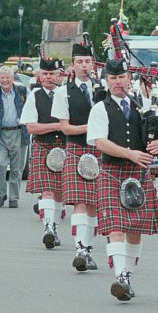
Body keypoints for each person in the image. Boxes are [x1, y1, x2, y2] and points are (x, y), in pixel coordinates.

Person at [86, 57, 158, 301]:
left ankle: (127, 276)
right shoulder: (100, 109)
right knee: (115, 227)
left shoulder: (145, 104)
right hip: (112, 172)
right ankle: (120, 277)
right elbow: (100, 142)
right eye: (113, 78)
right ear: (106, 81)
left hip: (139, 174)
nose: (118, 82)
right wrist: (129, 153)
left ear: (129, 79)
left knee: (135, 229)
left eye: (122, 77)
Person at [52, 41, 102, 271]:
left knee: (94, 204)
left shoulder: (102, 90)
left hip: (100, 151)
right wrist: (91, 128)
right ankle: (80, 250)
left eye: (87, 61)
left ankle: (87, 250)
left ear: (93, 64)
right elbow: (65, 128)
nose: (84, 65)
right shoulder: (63, 92)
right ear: (72, 65)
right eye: (79, 62)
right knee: (80, 202)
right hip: (77, 150)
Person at [19, 58, 66, 248]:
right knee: (47, 190)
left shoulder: (67, 94)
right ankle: (48, 229)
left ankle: (54, 227)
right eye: (44, 74)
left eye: (52, 74)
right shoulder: (34, 96)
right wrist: (59, 126)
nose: (48, 77)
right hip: (43, 146)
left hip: (65, 147)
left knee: (60, 192)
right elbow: (31, 127)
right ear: (39, 76)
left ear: (59, 75)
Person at [0, 67, 29, 209]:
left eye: (7, 77)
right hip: (0, 133)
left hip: (19, 133)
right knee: (0, 164)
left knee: (16, 169)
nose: (5, 80)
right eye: (2, 77)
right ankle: (1, 195)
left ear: (13, 78)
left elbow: (33, 108)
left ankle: (14, 197)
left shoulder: (23, 91)